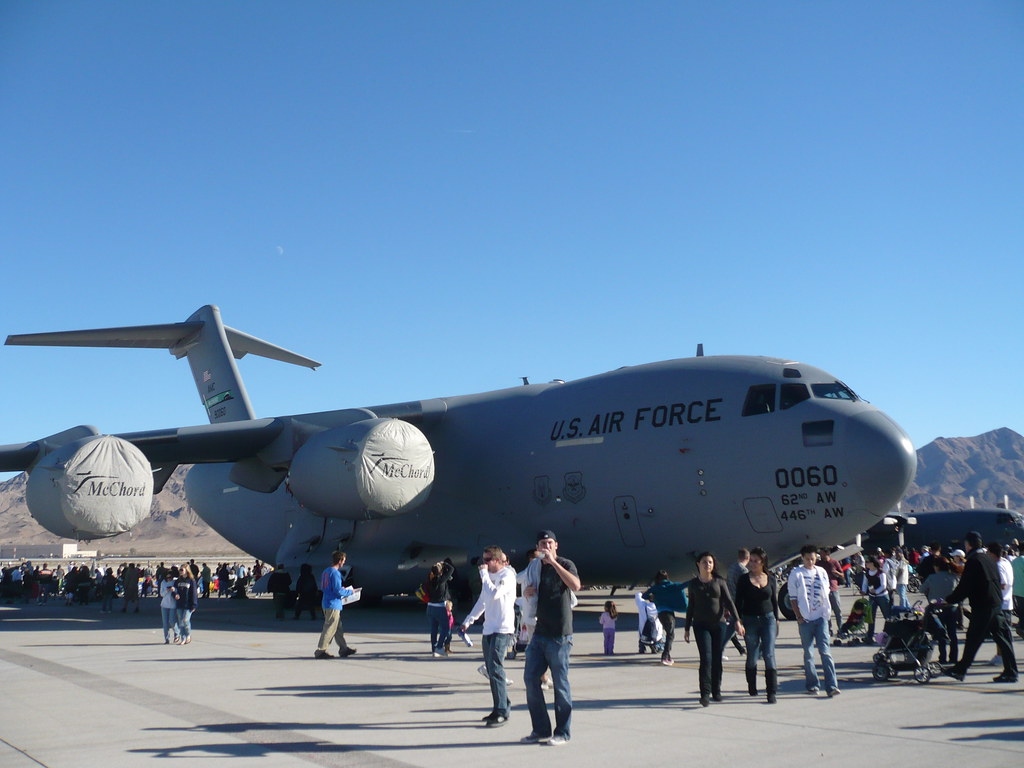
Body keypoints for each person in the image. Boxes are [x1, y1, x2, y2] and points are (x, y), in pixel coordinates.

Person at [522, 530, 580, 747]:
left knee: (561, 686)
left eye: (549, 543)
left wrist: (555, 564)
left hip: (560, 635)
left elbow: (575, 585)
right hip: (540, 632)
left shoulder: (566, 564)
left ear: (556, 545)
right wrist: (528, 591)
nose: (546, 547)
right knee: (530, 679)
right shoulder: (534, 567)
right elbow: (528, 586)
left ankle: (563, 732)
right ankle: (540, 729)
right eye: (542, 544)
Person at [943, 533, 1017, 682]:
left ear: (968, 545)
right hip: (996, 604)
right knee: (1003, 639)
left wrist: (949, 600)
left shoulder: (974, 561)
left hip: (983, 606)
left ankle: (960, 670)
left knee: (973, 638)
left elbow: (965, 586)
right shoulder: (989, 559)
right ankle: (1011, 671)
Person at [460, 545, 517, 727]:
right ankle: (500, 705)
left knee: (496, 667)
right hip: (488, 629)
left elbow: (494, 594)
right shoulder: (488, 578)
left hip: (502, 629)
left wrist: (484, 575)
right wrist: (469, 620)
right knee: (492, 671)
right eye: (482, 560)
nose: (482, 564)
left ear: (498, 561)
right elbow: (482, 601)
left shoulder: (507, 576)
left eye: (487, 560)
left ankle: (502, 710)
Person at [684, 552, 743, 707]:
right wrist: (687, 628)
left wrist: (737, 621)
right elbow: (691, 607)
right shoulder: (693, 584)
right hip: (700, 625)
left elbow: (729, 602)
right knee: (706, 659)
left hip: (719, 625)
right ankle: (705, 693)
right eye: (704, 562)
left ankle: (716, 690)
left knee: (717, 659)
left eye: (710, 562)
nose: (707, 565)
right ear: (698, 564)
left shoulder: (719, 581)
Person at [788, 544, 839, 697]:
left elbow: (826, 591)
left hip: (821, 617)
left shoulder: (821, 571)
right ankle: (812, 684)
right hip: (805, 619)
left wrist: (826, 613)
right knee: (809, 653)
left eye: (813, 559)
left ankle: (831, 685)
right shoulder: (796, 574)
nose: (811, 562)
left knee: (825, 652)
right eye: (808, 559)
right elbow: (793, 598)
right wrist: (799, 616)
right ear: (802, 558)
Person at [735, 547, 779, 703]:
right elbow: (738, 601)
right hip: (750, 620)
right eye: (751, 560)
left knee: (769, 653)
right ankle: (752, 685)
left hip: (768, 619)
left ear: (762, 562)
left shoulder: (771, 579)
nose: (752, 564)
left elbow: (774, 601)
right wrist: (738, 620)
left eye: (755, 561)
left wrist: (777, 619)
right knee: (752, 656)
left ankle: (771, 691)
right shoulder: (744, 580)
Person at [315, 551, 357, 659]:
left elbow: (327, 587)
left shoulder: (326, 572)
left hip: (326, 601)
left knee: (338, 628)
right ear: (340, 561)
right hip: (333, 603)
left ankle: (344, 648)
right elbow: (338, 591)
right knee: (330, 627)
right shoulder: (335, 573)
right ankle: (321, 650)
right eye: (343, 561)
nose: (343, 563)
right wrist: (350, 592)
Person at [642, 570, 687, 665]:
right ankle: (665, 656)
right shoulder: (672, 586)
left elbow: (644, 596)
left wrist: (652, 597)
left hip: (661, 613)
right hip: (669, 613)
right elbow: (684, 585)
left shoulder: (655, 587)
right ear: (667, 577)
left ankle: (668, 655)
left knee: (669, 633)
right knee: (670, 635)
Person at [921, 556, 959, 664]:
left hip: (937, 608)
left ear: (937, 566)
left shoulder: (932, 577)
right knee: (952, 633)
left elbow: (922, 589)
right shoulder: (954, 577)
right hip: (952, 607)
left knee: (941, 633)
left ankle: (943, 657)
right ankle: (954, 657)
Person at [425, 560, 455, 657]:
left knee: (434, 629)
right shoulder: (441, 580)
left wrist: (440, 567)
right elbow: (451, 569)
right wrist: (444, 564)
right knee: (445, 628)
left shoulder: (429, 580)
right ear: (440, 572)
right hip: (440, 607)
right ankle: (439, 647)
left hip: (430, 607)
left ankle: (434, 648)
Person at [861, 556, 890, 642]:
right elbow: (865, 583)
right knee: (870, 617)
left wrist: (876, 591)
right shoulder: (867, 573)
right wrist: (863, 590)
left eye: (867, 562)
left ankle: (889, 634)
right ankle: (869, 636)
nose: (866, 564)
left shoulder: (881, 573)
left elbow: (884, 585)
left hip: (882, 596)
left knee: (887, 616)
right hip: (872, 597)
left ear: (872, 563)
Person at [173, 562, 198, 644]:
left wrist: (194, 605)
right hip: (180, 603)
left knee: (185, 620)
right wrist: (175, 594)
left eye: (181, 570)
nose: (180, 571)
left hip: (188, 604)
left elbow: (194, 593)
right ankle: (183, 638)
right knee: (180, 622)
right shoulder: (178, 581)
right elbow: (174, 590)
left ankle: (188, 635)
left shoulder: (191, 581)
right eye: (179, 570)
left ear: (186, 571)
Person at [159, 567, 179, 644]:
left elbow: (177, 592)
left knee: (172, 621)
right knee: (165, 623)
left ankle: (177, 633)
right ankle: (167, 638)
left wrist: (174, 590)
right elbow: (161, 594)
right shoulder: (163, 583)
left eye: (170, 577)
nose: (169, 579)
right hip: (164, 605)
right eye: (167, 577)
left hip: (173, 604)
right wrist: (167, 590)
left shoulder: (175, 582)